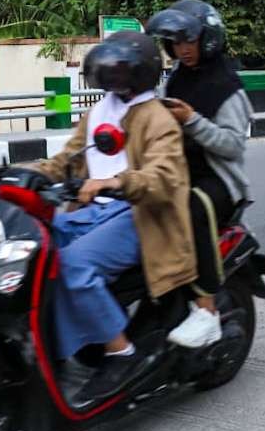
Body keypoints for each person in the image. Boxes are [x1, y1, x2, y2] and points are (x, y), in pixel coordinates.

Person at [27, 31, 200, 404]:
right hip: (92, 213)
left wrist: (116, 181)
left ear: (142, 74)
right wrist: (26, 176)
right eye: (108, 72)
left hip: (139, 215)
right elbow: (67, 160)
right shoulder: (99, 111)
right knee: (31, 247)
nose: (113, 79)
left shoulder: (157, 118)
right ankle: (53, 344)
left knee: (73, 266)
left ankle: (121, 352)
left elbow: (165, 176)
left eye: (122, 72)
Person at [146, 0, 253, 345]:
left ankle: (205, 310)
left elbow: (233, 145)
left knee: (193, 206)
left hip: (217, 179)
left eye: (188, 41)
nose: (182, 50)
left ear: (207, 39)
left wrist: (191, 120)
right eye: (176, 43)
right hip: (181, 171)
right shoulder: (176, 78)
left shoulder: (227, 86)